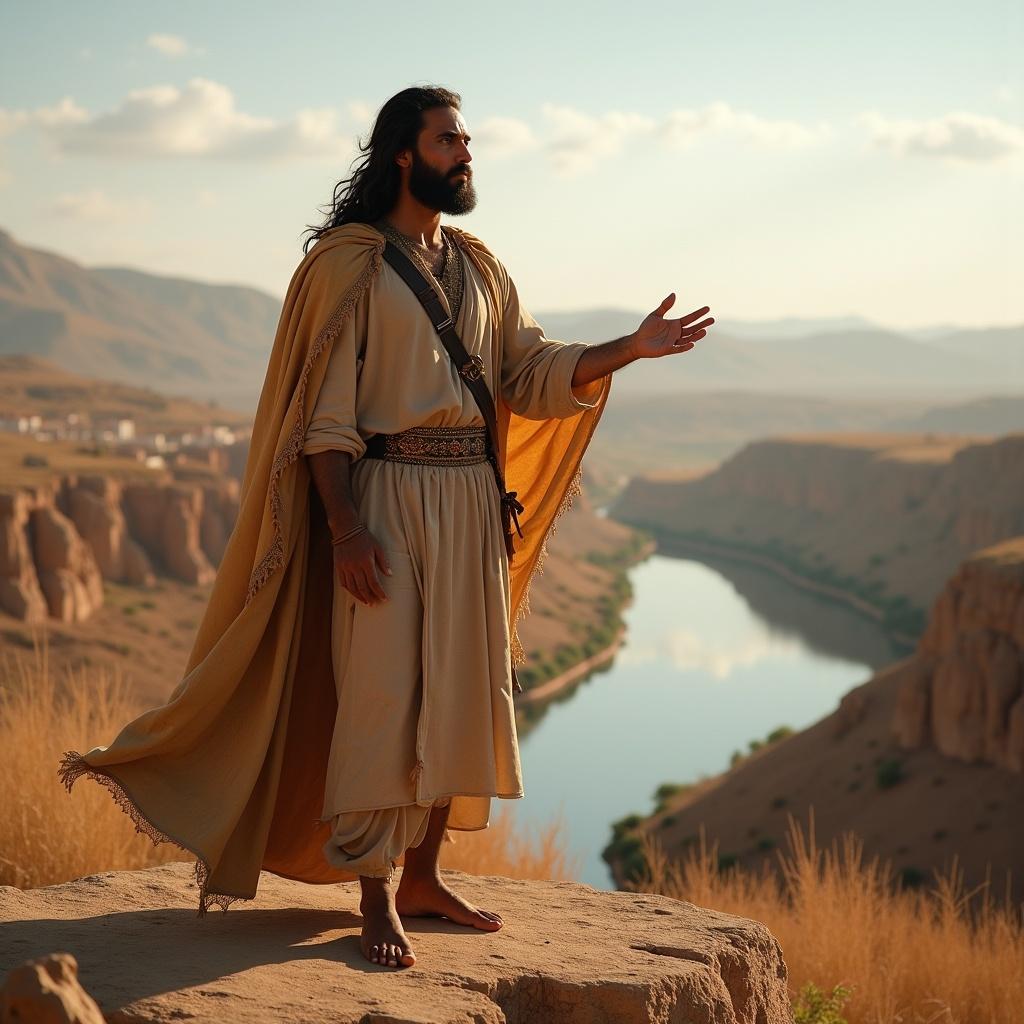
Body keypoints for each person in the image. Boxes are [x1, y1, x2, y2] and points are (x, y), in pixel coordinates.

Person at [58, 84, 713, 971]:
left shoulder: (481, 268)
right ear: (403, 153)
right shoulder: (348, 265)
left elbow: (528, 373)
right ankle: (375, 891)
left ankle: (426, 877)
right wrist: (348, 530)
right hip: (388, 503)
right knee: (380, 701)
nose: (467, 151)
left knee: (464, 695)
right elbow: (324, 418)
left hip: (474, 505)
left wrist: (628, 348)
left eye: (468, 138)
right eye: (450, 139)